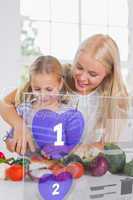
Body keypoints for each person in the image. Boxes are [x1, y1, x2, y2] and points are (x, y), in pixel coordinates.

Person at [0, 34, 129, 155]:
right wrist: (19, 125)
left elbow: (108, 146)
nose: (82, 78)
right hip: (43, 160)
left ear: (108, 74)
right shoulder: (55, 79)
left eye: (92, 74)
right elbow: (4, 103)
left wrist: (77, 150)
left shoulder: (114, 98)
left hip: (81, 167)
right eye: (79, 67)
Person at [1, 55, 84, 158]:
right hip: (28, 166)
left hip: (56, 167)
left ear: (60, 84)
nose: (42, 95)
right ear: (31, 84)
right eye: (37, 89)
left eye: (49, 89)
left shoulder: (67, 114)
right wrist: (11, 143)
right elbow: (10, 139)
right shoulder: (25, 110)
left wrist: (62, 150)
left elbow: (74, 146)